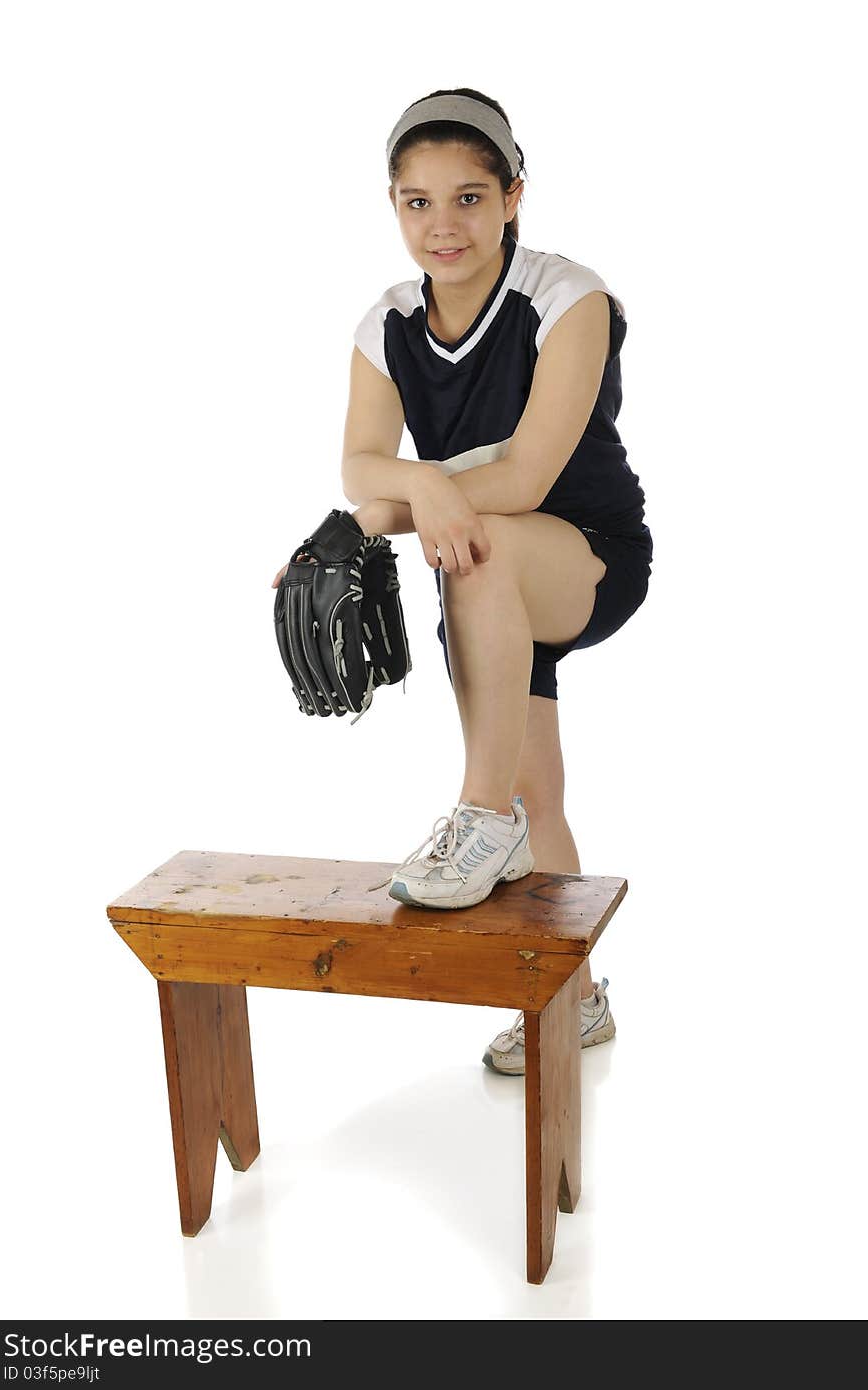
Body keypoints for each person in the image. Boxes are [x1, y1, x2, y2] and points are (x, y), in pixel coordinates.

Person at [272, 88, 652, 1075]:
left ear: (514, 195)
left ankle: (479, 819)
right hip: (476, 576)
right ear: (393, 206)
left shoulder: (569, 298)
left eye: (470, 198)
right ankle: (575, 999)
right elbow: (360, 467)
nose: (442, 225)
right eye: (416, 202)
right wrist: (392, 499)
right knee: (542, 783)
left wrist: (398, 502)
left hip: (583, 549)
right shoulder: (387, 322)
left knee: (478, 536)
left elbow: (524, 479)